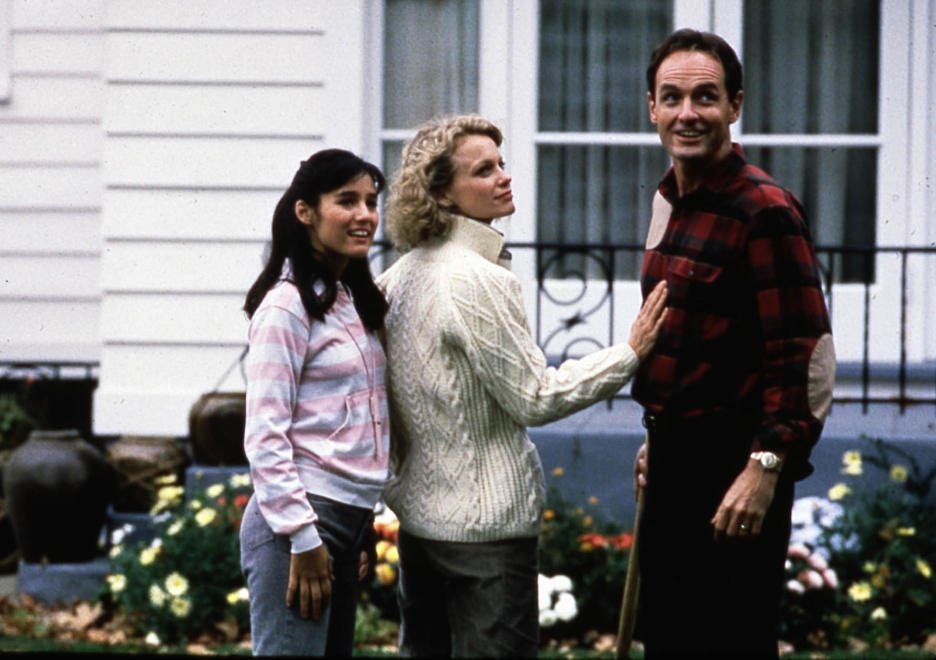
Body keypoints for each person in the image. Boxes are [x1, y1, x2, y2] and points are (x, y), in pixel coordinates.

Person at [377, 113, 668, 658]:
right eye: (483, 170)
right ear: (442, 194)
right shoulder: (478, 280)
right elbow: (535, 397)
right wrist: (630, 354)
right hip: (486, 535)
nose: (504, 177)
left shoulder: (396, 277)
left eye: (501, 163)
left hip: (419, 528)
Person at [629, 29, 836, 658]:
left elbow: (805, 358)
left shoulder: (764, 210)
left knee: (729, 642)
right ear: (652, 107)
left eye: (706, 97)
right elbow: (684, 336)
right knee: (668, 640)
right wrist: (654, 438)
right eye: (672, 97)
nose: (687, 113)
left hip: (735, 469)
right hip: (672, 458)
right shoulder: (669, 198)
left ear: (735, 104)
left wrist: (764, 468)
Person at [239, 149, 391, 656]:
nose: (364, 215)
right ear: (305, 211)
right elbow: (265, 435)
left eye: (371, 202)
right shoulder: (286, 306)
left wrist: (362, 523)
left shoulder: (348, 298)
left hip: (345, 522)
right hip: (298, 525)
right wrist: (303, 539)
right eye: (346, 201)